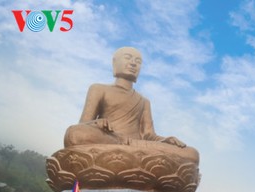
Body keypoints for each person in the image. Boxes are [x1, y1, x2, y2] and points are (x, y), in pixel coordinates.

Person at [64, 47, 194, 152]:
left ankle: (128, 150)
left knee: (191, 153)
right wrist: (96, 124)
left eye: (138, 61)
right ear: (115, 63)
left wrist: (165, 140)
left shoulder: (143, 101)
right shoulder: (98, 89)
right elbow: (83, 124)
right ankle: (123, 147)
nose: (133, 63)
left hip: (137, 146)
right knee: (75, 133)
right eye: (128, 58)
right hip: (109, 139)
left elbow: (149, 136)